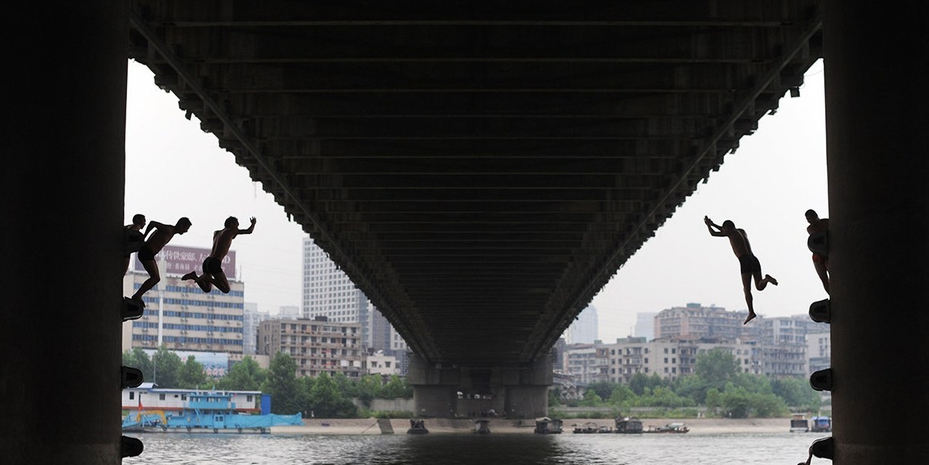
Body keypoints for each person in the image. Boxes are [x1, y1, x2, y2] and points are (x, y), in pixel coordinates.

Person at [704, 216, 778, 324]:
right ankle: (766, 279)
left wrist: (708, 225)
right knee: (759, 286)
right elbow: (724, 229)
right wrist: (713, 224)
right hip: (754, 259)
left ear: (728, 229)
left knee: (746, 289)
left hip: (745, 261)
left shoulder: (730, 233)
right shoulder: (741, 231)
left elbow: (714, 234)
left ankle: (751, 312)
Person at [183, 216, 255, 293]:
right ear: (231, 224)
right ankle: (207, 278)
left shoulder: (216, 233)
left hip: (207, 261)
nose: (237, 228)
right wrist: (253, 223)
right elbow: (249, 231)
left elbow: (226, 239)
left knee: (207, 289)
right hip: (215, 262)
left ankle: (194, 277)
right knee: (226, 289)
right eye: (236, 225)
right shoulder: (231, 231)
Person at [129, 217, 192, 305]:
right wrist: (144, 237)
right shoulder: (168, 230)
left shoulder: (171, 232)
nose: (186, 231)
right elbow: (152, 223)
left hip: (148, 253)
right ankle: (137, 295)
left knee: (156, 278)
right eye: (186, 228)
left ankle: (138, 295)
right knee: (155, 278)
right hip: (146, 252)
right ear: (181, 225)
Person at [805, 209, 830, 294]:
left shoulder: (826, 222)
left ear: (815, 216)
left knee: (831, 270)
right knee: (824, 279)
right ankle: (832, 295)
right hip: (817, 255)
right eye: (807, 219)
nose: (809, 221)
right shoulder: (810, 228)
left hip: (827, 254)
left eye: (810, 218)